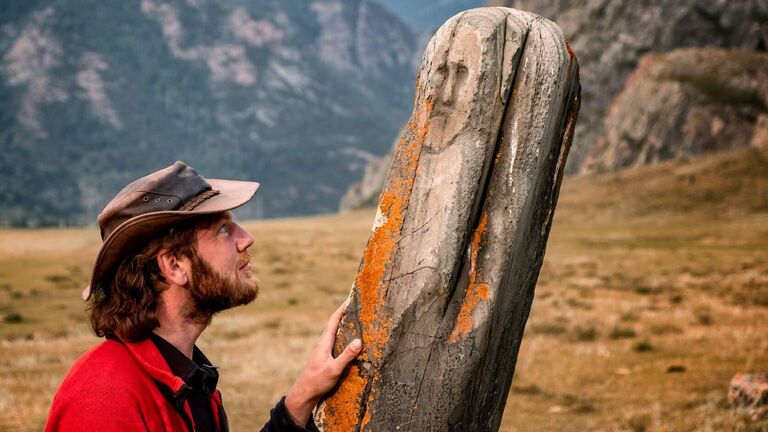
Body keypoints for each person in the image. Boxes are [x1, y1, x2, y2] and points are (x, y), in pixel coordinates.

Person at [45, 161, 363, 431]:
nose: (246, 238)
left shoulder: (188, 378)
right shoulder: (105, 399)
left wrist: (302, 397)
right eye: (223, 229)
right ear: (174, 265)